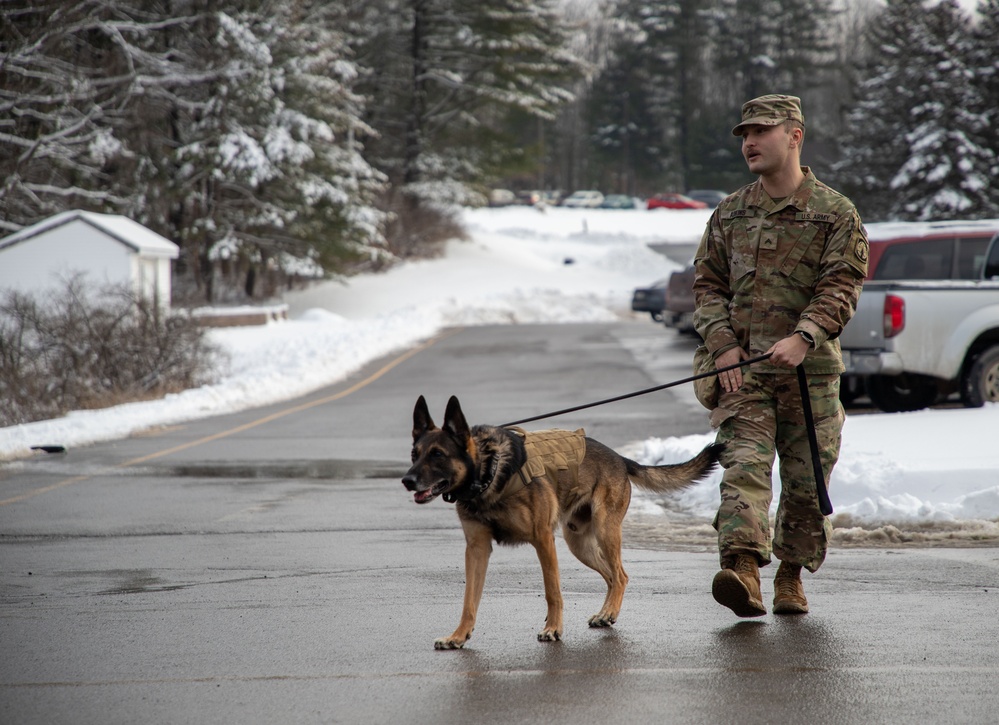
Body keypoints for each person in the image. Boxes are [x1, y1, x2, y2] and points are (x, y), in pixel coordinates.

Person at [692, 94, 869, 617]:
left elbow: (842, 283)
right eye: (744, 133)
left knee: (807, 485)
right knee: (743, 468)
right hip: (743, 376)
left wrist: (806, 334)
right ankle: (743, 569)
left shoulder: (835, 212)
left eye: (761, 131)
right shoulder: (730, 212)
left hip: (808, 376)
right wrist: (722, 347)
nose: (749, 141)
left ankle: (790, 575)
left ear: (794, 135)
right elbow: (708, 287)